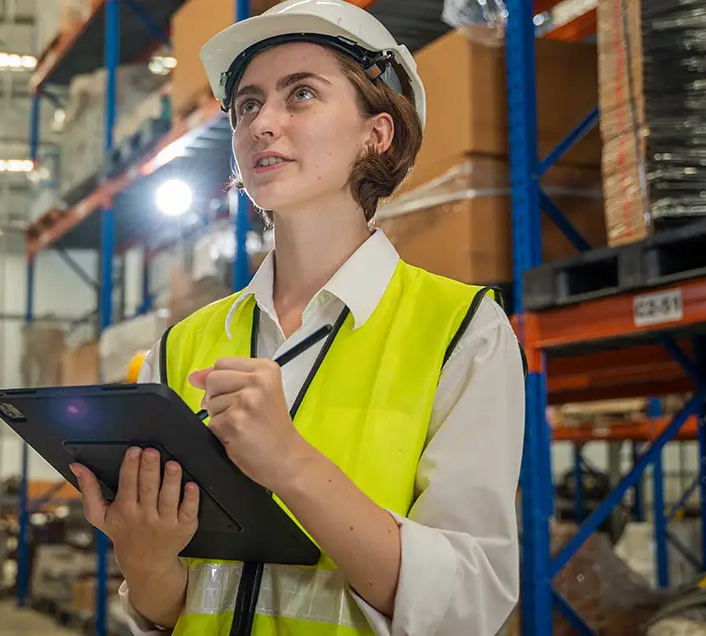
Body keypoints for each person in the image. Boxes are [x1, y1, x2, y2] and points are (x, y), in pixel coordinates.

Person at [66, 2, 526, 634]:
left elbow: (467, 605)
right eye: (248, 105)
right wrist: (145, 564)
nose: (262, 125)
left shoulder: (460, 330)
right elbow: (177, 607)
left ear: (376, 133)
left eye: (301, 94)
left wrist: (290, 463)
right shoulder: (185, 344)